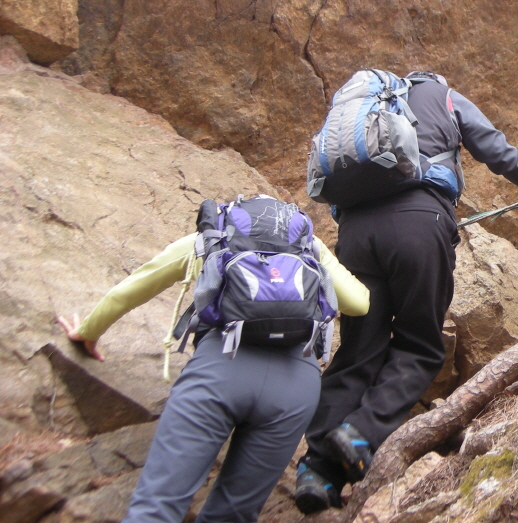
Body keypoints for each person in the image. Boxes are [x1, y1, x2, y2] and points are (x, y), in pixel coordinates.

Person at [294, 71, 518, 513]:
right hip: (420, 222)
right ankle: (359, 432)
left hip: (355, 233)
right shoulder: (442, 95)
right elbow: (497, 151)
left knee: (359, 349)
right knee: (420, 344)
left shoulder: (358, 107)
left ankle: (316, 471)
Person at [58, 194, 370, 523]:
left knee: (157, 507)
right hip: (296, 389)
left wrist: (89, 332)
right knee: (232, 516)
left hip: (220, 370)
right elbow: (360, 303)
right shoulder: (309, 247)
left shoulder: (215, 237)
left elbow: (132, 289)